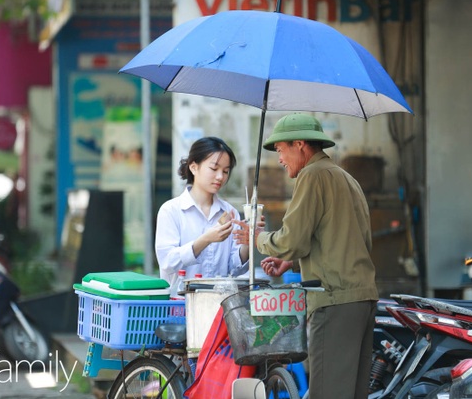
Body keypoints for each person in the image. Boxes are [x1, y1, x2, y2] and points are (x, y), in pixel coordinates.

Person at [234, 113, 378, 399]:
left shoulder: (312, 175)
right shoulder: (345, 177)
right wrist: (291, 260)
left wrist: (257, 238)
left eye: (280, 150)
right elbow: (342, 239)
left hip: (334, 300)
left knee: (327, 393)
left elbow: (292, 238)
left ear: (299, 144)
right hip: (362, 299)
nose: (279, 159)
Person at [155, 136, 249, 286]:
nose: (220, 177)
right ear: (194, 167)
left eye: (225, 171)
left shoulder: (230, 212)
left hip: (219, 304)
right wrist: (206, 239)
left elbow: (235, 269)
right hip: (179, 305)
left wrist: (247, 242)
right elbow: (167, 261)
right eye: (214, 168)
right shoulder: (171, 210)